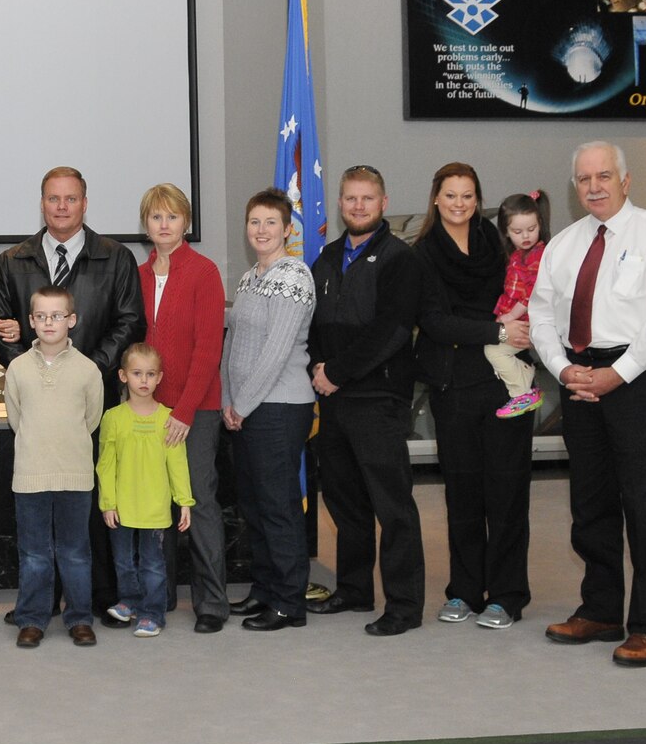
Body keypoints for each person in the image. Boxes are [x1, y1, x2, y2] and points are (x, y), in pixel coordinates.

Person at [530, 142, 646, 667]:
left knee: (644, 506)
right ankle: (601, 610)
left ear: (627, 180)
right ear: (573, 187)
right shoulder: (563, 245)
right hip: (581, 383)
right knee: (590, 504)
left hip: (640, 382)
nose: (594, 186)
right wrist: (563, 369)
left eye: (604, 176)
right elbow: (540, 315)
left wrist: (615, 375)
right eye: (584, 179)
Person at [0, 166, 143, 617]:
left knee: (90, 507)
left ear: (85, 203)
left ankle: (93, 600)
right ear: (42, 203)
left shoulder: (115, 258)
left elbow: (130, 321)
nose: (61, 207)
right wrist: (28, 366)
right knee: (35, 513)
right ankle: (39, 604)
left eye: (70, 199)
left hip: (92, 402)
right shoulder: (13, 259)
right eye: (53, 199)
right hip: (35, 407)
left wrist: (86, 371)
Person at [414, 163, 535, 633]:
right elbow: (435, 321)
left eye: (467, 195)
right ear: (436, 199)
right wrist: (497, 329)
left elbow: (530, 288)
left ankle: (506, 595)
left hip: (506, 386)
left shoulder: (498, 241)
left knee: (507, 493)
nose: (459, 203)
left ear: (477, 198)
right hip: (453, 386)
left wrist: (512, 330)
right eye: (450, 195)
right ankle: (464, 590)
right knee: (463, 496)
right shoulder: (423, 254)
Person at [307, 165, 425, 636]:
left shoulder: (401, 259)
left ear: (383, 202)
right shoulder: (328, 258)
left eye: (367, 199)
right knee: (345, 502)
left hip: (377, 398)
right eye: (350, 199)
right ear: (340, 204)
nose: (358, 206)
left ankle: (404, 605)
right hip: (332, 401)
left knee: (391, 506)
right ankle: (354, 590)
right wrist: (320, 369)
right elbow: (315, 325)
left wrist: (336, 371)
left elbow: (393, 331)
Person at [220, 189, 317, 634]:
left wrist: (241, 403)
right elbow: (234, 347)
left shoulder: (294, 276)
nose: (261, 230)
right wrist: (227, 400)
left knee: (278, 507)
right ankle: (263, 589)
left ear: (287, 229)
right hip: (245, 410)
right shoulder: (248, 278)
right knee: (255, 506)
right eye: (254, 222)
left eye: (270, 223)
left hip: (279, 407)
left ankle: (288, 603)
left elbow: (277, 351)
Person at [134, 183, 228, 632]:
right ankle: (162, 595)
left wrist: (185, 411)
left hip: (196, 410)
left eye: (172, 217)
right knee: (156, 504)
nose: (164, 225)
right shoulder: (138, 274)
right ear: (146, 224)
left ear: (185, 222)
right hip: (148, 409)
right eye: (156, 217)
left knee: (200, 502)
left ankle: (211, 603)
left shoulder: (204, 271)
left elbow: (209, 350)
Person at [3, 287, 105, 648]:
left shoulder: (88, 370)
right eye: (41, 316)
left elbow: (91, 420)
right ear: (31, 321)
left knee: (75, 551)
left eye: (57, 316)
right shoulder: (16, 368)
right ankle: (32, 618)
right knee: (34, 553)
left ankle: (79, 618)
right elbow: (17, 417)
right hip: (30, 476)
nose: (49, 323)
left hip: (75, 476)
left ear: (71, 320)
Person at [98, 344, 193, 638]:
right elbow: (106, 465)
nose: (144, 380)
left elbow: (177, 464)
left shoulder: (168, 420)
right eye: (137, 373)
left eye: (150, 374)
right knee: (123, 561)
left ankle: (153, 613)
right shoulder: (113, 418)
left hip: (154, 509)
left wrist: (184, 502)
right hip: (123, 508)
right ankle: (130, 601)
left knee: (153, 564)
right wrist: (107, 503)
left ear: (159, 378)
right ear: (123, 376)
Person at [489, 191, 551, 418]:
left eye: (531, 229)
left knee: (493, 351)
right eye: (517, 231)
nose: (526, 236)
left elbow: (532, 294)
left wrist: (511, 316)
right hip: (517, 321)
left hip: (526, 323)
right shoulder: (517, 255)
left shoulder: (538, 255)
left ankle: (522, 390)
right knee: (492, 346)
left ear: (540, 224)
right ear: (506, 231)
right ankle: (524, 380)